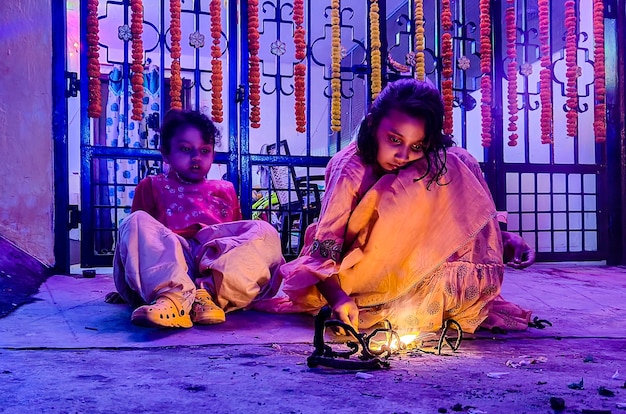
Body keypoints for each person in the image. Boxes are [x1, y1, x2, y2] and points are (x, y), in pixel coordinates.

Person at [258, 78, 533, 335]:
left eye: (417, 145)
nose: (403, 155)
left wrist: (502, 238)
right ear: (372, 125)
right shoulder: (350, 170)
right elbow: (325, 249)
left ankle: (436, 293)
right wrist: (339, 298)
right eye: (394, 140)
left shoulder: (429, 161)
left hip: (414, 267)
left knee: (458, 161)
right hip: (359, 271)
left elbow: (455, 215)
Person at [113, 110, 284, 328]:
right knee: (135, 221)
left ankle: (206, 296)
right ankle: (172, 298)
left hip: (213, 260)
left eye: (205, 151)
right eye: (185, 149)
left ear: (213, 155)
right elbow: (138, 244)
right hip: (172, 262)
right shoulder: (152, 185)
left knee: (264, 231)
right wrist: (133, 283)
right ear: (165, 153)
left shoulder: (225, 189)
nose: (196, 157)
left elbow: (236, 243)